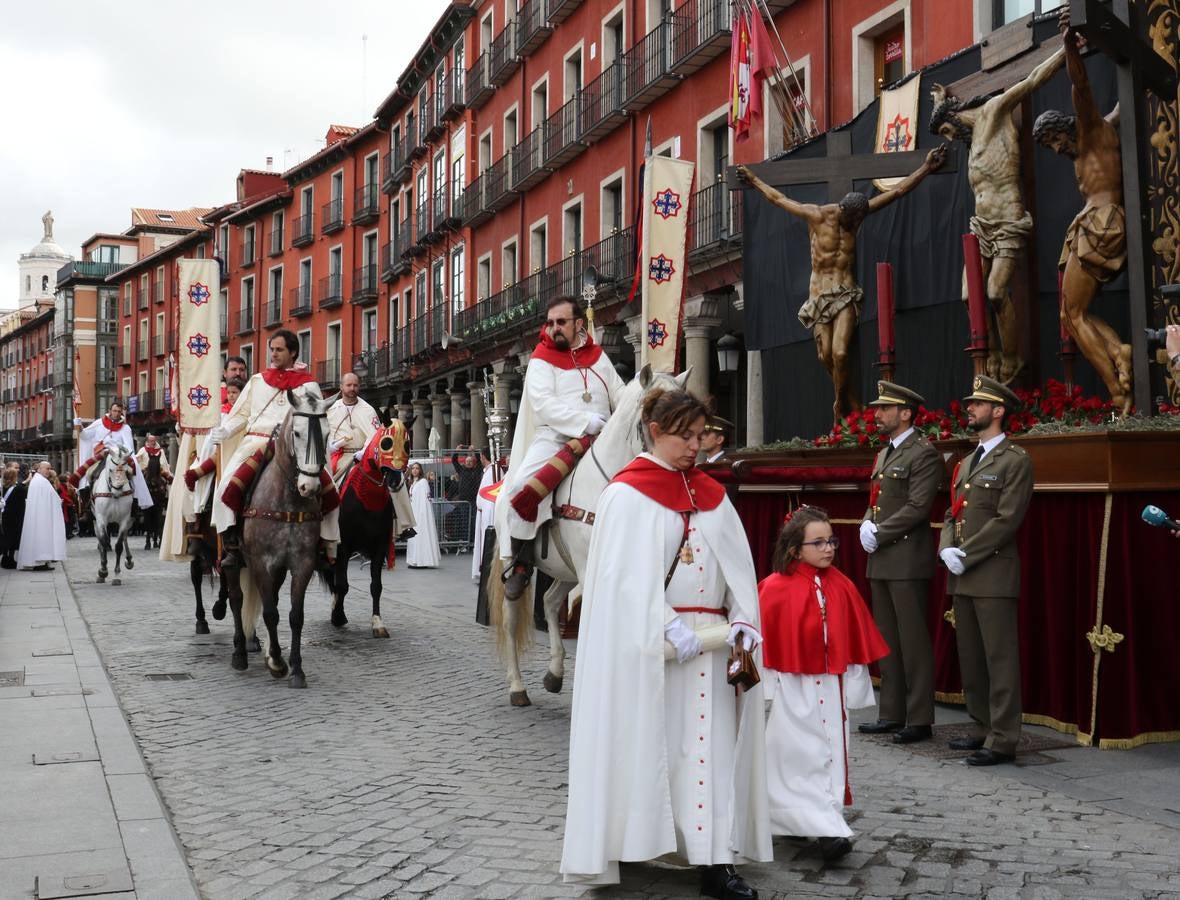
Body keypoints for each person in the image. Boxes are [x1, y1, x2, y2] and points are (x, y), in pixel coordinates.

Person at [560, 388, 770, 897]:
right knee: (646, 747)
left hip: (712, 653)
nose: (696, 446)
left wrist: (743, 619)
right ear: (655, 431)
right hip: (649, 653)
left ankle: (714, 861)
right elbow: (617, 580)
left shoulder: (713, 496)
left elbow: (738, 569)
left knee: (708, 754)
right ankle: (627, 840)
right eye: (685, 436)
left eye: (701, 435)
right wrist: (665, 622)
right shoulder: (626, 495)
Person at [737, 147, 946, 421]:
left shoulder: (858, 215)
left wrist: (926, 167)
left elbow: (896, 193)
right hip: (820, 295)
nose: (855, 226)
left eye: (858, 222)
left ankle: (839, 404)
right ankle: (852, 402)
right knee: (826, 356)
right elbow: (779, 199)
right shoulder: (817, 215)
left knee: (840, 351)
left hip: (846, 293)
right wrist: (753, 180)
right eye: (851, 221)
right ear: (843, 211)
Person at [759, 505, 888, 861]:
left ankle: (825, 822)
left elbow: (854, 640)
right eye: (818, 543)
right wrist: (768, 686)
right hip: (793, 687)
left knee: (831, 752)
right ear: (795, 549)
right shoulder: (773, 588)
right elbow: (764, 644)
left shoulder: (841, 584)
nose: (828, 548)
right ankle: (819, 826)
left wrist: (854, 683)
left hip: (830, 687)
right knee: (798, 753)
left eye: (831, 541)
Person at [930, 45, 1066, 383]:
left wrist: (1066, 48)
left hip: (1008, 221)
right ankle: (988, 352)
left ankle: (1010, 357)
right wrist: (939, 102)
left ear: (954, 119)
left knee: (994, 293)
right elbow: (949, 115)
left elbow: (1033, 79)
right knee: (967, 296)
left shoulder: (994, 110)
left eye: (946, 131)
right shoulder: (971, 137)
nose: (949, 140)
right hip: (981, 227)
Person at [1034, 9, 1131, 413]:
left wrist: (1070, 44)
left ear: (1068, 128)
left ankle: (1118, 393)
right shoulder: (1102, 131)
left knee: (1070, 313)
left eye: (1055, 140)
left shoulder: (1090, 129)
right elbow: (1121, 108)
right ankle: (1120, 352)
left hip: (1101, 222)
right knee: (1073, 313)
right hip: (1098, 222)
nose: (1057, 150)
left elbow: (1081, 87)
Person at [500, 295, 626, 599]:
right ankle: (522, 562)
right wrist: (584, 423)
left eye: (561, 322)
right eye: (551, 322)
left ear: (578, 324)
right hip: (556, 438)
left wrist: (629, 409)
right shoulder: (542, 358)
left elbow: (619, 391)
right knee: (519, 486)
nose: (554, 328)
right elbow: (543, 404)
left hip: (603, 436)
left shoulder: (597, 355)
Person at [939, 376, 1034, 766]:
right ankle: (980, 726)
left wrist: (965, 552)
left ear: (998, 411)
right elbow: (952, 512)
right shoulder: (965, 463)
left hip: (992, 571)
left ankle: (1003, 737)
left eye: (978, 404)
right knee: (972, 656)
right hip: (962, 572)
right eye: (971, 403)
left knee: (999, 658)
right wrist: (947, 547)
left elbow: (1007, 519)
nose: (970, 409)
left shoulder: (1014, 461)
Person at [857, 381, 943, 744]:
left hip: (906, 557)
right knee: (887, 639)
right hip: (883, 557)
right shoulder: (886, 453)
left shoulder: (922, 453)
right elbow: (877, 500)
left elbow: (918, 507)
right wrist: (865, 521)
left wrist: (880, 531)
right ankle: (891, 712)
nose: (877, 415)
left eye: (884, 409)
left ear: (906, 413)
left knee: (912, 641)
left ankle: (919, 717)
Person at [209, 330, 336, 568]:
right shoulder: (257, 380)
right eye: (272, 349)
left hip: (295, 447)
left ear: (293, 352)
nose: (274, 354)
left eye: (279, 350)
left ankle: (325, 545)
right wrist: (226, 431)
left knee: (332, 492)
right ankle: (233, 543)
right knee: (226, 486)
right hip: (257, 441)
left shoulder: (309, 385)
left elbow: (318, 420)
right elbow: (242, 415)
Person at [77, 400, 154, 509]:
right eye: (114, 411)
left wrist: (117, 449)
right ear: (109, 411)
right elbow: (85, 436)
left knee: (132, 472)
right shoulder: (99, 423)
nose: (117, 413)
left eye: (119, 411)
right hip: (101, 455)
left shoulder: (125, 428)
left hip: (119, 457)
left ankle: (135, 502)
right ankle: (87, 505)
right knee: (89, 473)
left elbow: (128, 447)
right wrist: (79, 426)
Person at [17, 461, 67, 570]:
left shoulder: (38, 480)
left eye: (49, 469)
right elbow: (49, 498)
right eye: (46, 468)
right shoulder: (41, 481)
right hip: (42, 517)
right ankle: (39, 562)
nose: (48, 471)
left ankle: (41, 562)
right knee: (41, 537)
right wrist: (58, 501)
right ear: (39, 468)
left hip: (41, 515)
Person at [405, 462, 441, 568]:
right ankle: (414, 560)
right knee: (413, 538)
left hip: (421, 514)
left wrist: (422, 515)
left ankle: (423, 561)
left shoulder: (423, 482)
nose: (415, 470)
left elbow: (425, 501)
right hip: (414, 513)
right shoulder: (412, 482)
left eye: (417, 468)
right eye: (413, 468)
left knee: (420, 535)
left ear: (420, 470)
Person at [451, 444, 483, 549]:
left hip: (474, 500)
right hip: (464, 501)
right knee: (465, 522)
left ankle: (474, 542)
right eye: (467, 461)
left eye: (470, 461)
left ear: (473, 462)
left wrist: (475, 452)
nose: (469, 462)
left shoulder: (477, 470)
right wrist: (456, 451)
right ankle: (466, 542)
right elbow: (454, 461)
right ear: (464, 462)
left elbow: (479, 461)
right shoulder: (461, 471)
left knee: (474, 521)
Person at [471, 451, 495, 582]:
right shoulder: (488, 471)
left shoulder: (492, 471)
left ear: (483, 457)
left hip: (487, 512)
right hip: (482, 511)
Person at [1, 463, 27, 569]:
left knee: (5, 537)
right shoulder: (20, 489)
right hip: (16, 517)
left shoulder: (2, 487)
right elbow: (22, 505)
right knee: (13, 538)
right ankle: (10, 559)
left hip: (4, 516)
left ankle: (4, 558)